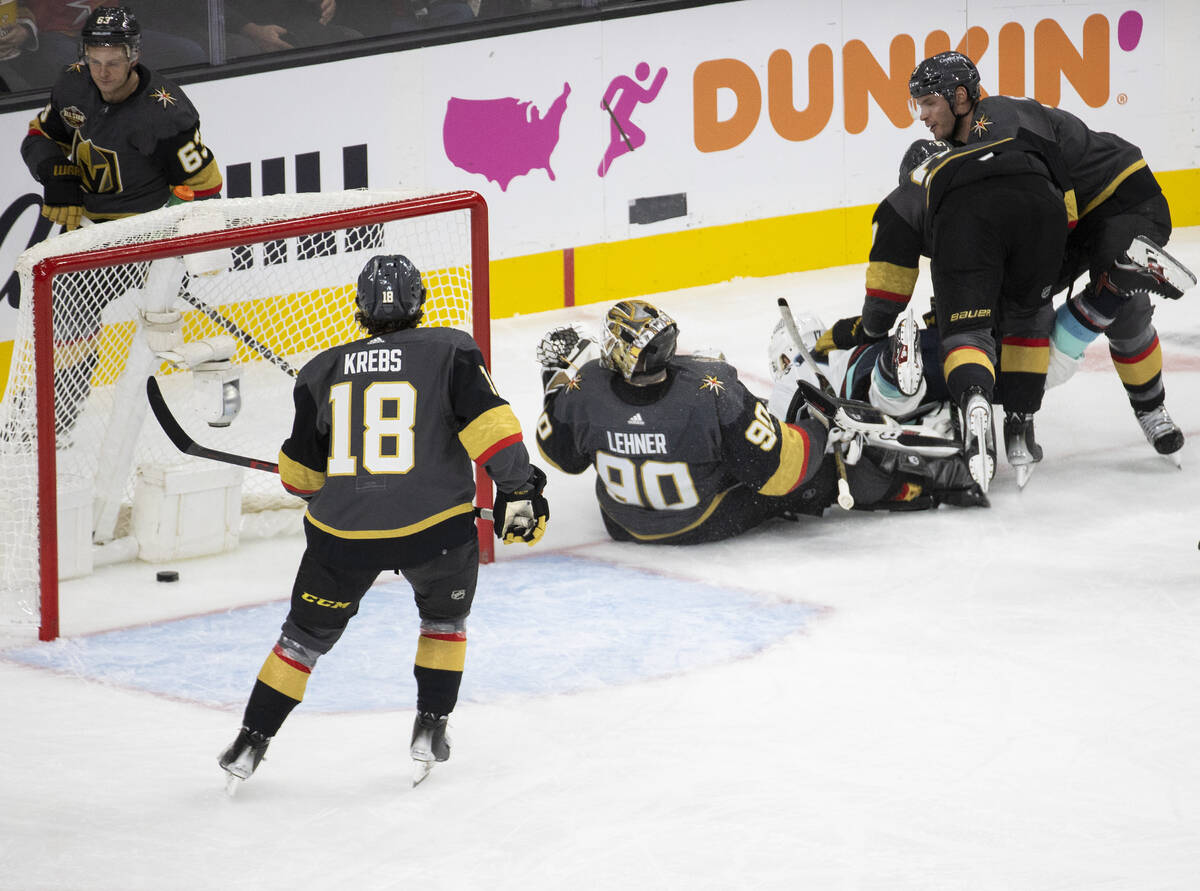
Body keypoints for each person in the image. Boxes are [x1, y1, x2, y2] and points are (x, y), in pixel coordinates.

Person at [218, 254, 550, 791]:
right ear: (420, 302)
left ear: (359, 310)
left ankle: (250, 742)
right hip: (436, 532)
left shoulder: (319, 371)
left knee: (301, 642)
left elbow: (300, 481)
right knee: (443, 624)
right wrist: (520, 489)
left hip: (342, 543)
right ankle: (429, 730)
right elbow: (492, 432)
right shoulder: (452, 349)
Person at [908, 50, 1190, 460]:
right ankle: (1022, 414)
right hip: (1071, 222)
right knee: (1021, 301)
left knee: (1119, 303)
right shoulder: (967, 142)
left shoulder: (997, 119)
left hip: (1120, 200)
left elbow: (1055, 197)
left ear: (962, 97)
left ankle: (1151, 408)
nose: (922, 115)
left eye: (929, 102)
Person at [535, 300, 983, 547]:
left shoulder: (584, 388)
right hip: (700, 520)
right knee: (820, 478)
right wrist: (820, 426)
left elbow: (563, 457)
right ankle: (936, 481)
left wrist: (552, 377)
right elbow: (778, 471)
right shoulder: (710, 387)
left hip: (623, 523)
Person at [18, 5, 222, 437]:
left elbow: (205, 186)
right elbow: (40, 137)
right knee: (63, 306)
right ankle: (54, 416)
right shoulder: (73, 83)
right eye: (94, 60)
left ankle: (52, 419)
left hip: (142, 236)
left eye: (113, 62)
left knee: (74, 303)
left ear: (133, 56)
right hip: (89, 231)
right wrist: (55, 172)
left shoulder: (164, 112)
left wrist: (173, 245)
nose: (102, 73)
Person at [845, 134, 1071, 490]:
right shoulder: (980, 169)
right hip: (1040, 217)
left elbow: (886, 292)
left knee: (944, 344)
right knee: (1031, 319)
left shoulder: (906, 197)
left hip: (960, 342)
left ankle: (898, 364)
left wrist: (870, 335)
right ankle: (1019, 421)